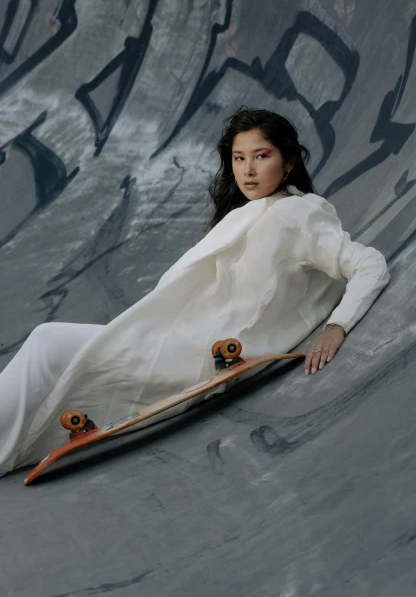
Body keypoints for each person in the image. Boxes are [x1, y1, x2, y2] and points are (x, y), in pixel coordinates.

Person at [0, 107, 390, 474]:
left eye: (262, 155)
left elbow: (369, 264)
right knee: (49, 349)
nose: (248, 170)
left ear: (288, 161)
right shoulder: (248, 213)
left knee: (49, 343)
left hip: (199, 353)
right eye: (239, 158)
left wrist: (337, 325)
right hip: (175, 340)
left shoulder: (299, 213)